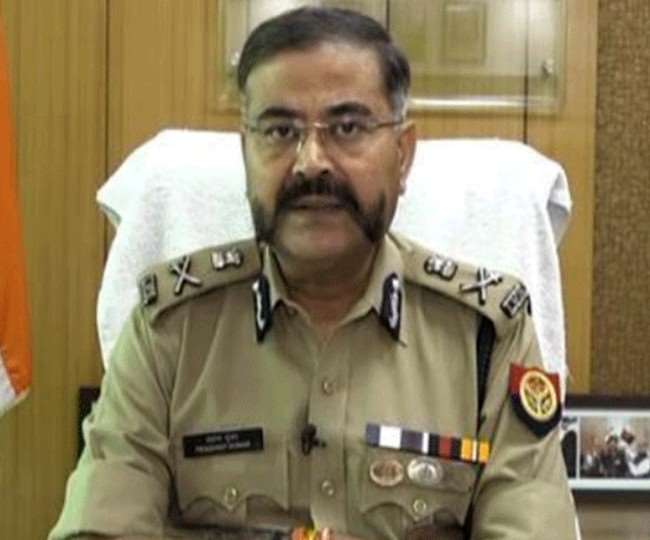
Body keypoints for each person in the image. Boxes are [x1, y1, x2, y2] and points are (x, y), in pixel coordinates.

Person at [50, 7, 578, 540]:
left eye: (348, 128)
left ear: (403, 154)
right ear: (246, 153)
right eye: (280, 130)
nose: (310, 162)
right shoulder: (170, 331)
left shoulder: (487, 337)